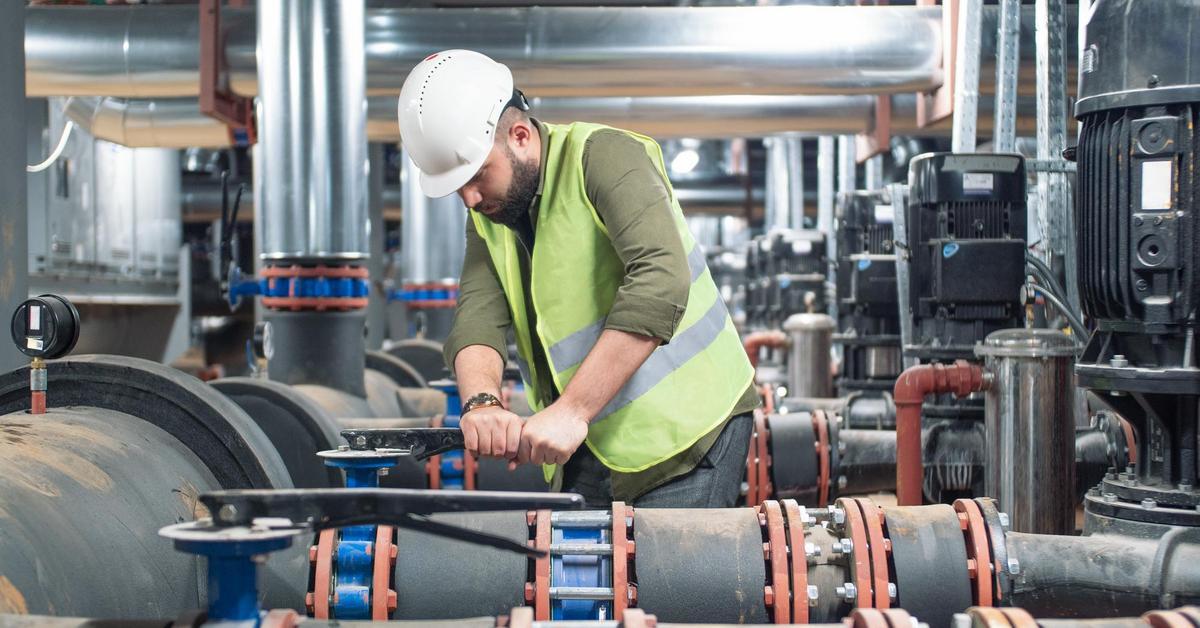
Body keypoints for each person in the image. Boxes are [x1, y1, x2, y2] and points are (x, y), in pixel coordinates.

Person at [397, 49, 759, 508]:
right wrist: (481, 403)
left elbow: (660, 279)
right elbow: (476, 318)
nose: (469, 198)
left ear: (521, 136)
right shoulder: (491, 213)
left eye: (478, 175)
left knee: (666, 579)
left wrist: (571, 411)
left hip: (687, 431)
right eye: (457, 187)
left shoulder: (604, 157)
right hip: (589, 440)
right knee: (585, 577)